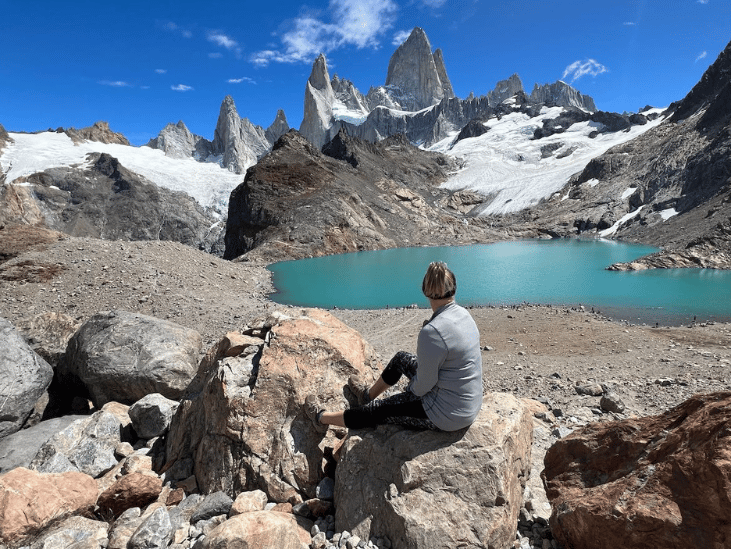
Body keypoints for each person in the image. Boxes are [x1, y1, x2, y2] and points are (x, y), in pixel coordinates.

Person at [305, 261, 483, 432]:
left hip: (446, 414)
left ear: (425, 290)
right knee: (401, 359)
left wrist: (409, 391)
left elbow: (423, 386)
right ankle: (366, 396)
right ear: (454, 287)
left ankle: (321, 418)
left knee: (379, 410)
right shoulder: (464, 315)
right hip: (468, 403)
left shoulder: (432, 331)